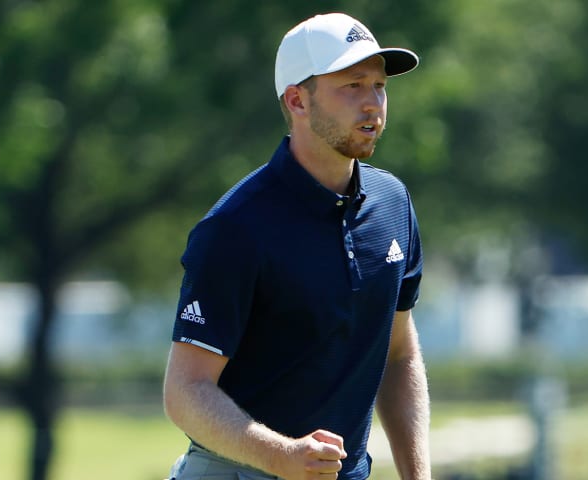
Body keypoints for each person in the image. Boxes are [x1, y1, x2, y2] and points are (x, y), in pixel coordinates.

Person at [163, 12, 431, 480]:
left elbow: (398, 353)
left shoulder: (393, 204)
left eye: (379, 85)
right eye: (352, 86)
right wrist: (281, 455)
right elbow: (185, 389)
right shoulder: (236, 226)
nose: (373, 104)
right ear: (297, 100)